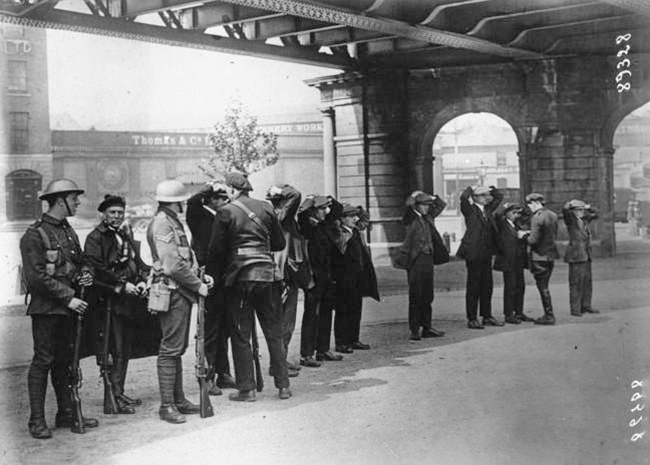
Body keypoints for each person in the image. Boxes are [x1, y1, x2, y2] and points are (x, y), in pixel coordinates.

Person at [20, 179, 98, 439]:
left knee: (65, 362)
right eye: (74, 199)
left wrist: (85, 273)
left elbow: (81, 260)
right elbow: (37, 277)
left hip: (68, 308)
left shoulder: (68, 231)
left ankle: (65, 413)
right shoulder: (34, 234)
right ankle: (37, 421)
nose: (77, 202)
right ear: (59, 201)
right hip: (47, 309)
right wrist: (68, 298)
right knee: (43, 361)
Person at [207, 172, 291, 401]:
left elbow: (216, 251)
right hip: (268, 276)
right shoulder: (266, 208)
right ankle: (283, 386)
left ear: (232, 190)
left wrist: (214, 277)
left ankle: (247, 389)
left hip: (240, 279)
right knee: (274, 332)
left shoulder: (226, 211)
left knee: (241, 334)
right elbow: (279, 243)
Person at [147, 179, 214, 423]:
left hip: (180, 292)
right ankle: (167, 406)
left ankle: (178, 400)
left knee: (177, 349)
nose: (184, 205)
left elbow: (183, 259)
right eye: (182, 201)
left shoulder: (171, 222)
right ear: (176, 203)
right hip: (172, 292)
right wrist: (198, 286)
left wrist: (199, 276)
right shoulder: (163, 224)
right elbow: (171, 264)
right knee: (170, 350)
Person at [83, 195, 152, 414]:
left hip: (128, 302)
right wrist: (122, 286)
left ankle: (118, 393)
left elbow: (137, 261)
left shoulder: (124, 234)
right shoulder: (95, 238)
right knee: (113, 350)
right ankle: (112, 397)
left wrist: (141, 278)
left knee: (125, 349)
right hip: (109, 302)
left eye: (120, 212)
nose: (116, 216)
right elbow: (97, 269)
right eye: (112, 212)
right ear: (102, 214)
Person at [186, 183, 237, 395]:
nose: (226, 201)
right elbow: (192, 201)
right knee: (210, 330)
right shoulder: (199, 216)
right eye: (221, 197)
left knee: (225, 327)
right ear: (211, 199)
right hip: (207, 279)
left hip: (225, 278)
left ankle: (224, 373)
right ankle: (208, 377)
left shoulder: (223, 216)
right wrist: (210, 186)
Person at [297, 195, 343, 366]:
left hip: (326, 276)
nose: (326, 211)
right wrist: (310, 201)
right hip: (313, 278)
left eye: (326, 208)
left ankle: (322, 350)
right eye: (322, 208)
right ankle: (306, 354)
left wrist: (326, 199)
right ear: (313, 210)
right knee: (311, 315)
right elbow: (301, 213)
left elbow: (337, 209)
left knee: (325, 313)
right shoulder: (306, 226)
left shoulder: (323, 225)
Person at [397, 191, 448, 341]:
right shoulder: (410, 218)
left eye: (428, 205)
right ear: (416, 206)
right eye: (424, 205)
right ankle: (414, 329)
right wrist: (413, 195)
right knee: (416, 296)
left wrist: (430, 196)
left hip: (427, 259)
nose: (427, 208)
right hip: (416, 260)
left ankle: (427, 327)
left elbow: (441, 205)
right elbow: (408, 206)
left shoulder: (428, 217)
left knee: (427, 295)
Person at [266, 184, 304, 377]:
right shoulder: (280, 216)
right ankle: (277, 365)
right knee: (283, 322)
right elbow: (295, 195)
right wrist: (281, 188)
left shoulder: (278, 216)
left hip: (288, 274)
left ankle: (281, 360)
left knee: (286, 322)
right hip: (284, 275)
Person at [457, 185, 504, 329]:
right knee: (473, 287)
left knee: (487, 286)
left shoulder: (488, 210)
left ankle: (487, 316)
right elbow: (464, 198)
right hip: (473, 253)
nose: (487, 198)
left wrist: (492, 189)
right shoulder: (470, 210)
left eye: (487, 195)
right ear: (476, 197)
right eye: (483, 195)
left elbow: (498, 197)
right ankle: (472, 318)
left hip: (486, 253)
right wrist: (471, 188)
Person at [332, 204, 378, 352]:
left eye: (355, 216)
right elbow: (341, 247)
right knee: (343, 310)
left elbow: (364, 219)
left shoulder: (356, 231)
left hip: (358, 277)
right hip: (344, 279)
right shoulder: (340, 233)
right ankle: (341, 343)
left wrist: (359, 209)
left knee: (355, 309)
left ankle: (354, 339)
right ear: (342, 219)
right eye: (351, 216)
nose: (356, 219)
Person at [523, 193, 560, 325]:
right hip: (550, 255)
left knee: (543, 287)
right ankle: (549, 314)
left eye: (530, 204)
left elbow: (533, 240)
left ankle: (549, 315)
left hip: (539, 257)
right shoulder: (552, 215)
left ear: (536, 203)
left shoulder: (536, 217)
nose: (529, 207)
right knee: (545, 286)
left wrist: (523, 236)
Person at [493, 202, 533, 324]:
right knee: (510, 287)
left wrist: (521, 208)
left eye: (517, 213)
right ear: (506, 214)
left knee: (520, 286)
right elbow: (497, 214)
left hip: (519, 260)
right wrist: (506, 206)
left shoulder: (517, 224)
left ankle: (519, 312)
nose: (516, 215)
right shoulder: (502, 224)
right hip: (508, 261)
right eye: (513, 212)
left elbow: (528, 214)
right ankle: (508, 314)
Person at [562, 199, 600, 317]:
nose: (581, 212)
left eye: (582, 210)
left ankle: (586, 305)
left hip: (586, 255)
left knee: (587, 283)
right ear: (573, 211)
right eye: (578, 210)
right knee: (576, 283)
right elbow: (565, 210)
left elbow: (596, 213)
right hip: (576, 256)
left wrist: (587, 206)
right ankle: (576, 309)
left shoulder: (584, 220)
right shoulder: (571, 221)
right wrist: (571, 203)